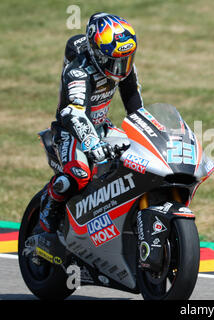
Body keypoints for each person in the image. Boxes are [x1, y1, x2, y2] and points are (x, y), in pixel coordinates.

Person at [39, 12, 144, 233]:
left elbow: (134, 104)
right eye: (113, 61)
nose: (121, 68)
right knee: (80, 176)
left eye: (125, 60)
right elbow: (73, 112)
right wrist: (92, 143)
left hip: (102, 127)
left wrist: (149, 133)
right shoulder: (78, 71)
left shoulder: (124, 68)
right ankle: (50, 202)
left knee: (140, 161)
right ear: (96, 53)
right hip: (71, 133)